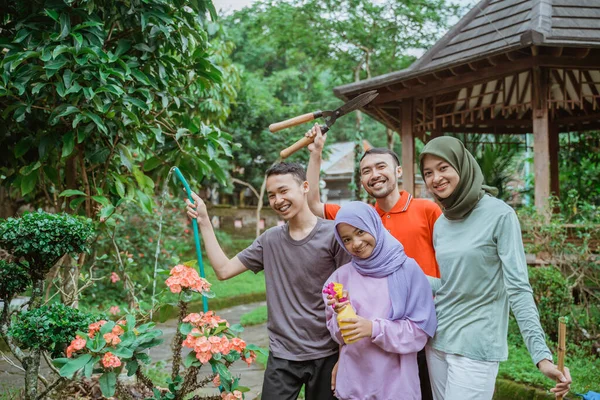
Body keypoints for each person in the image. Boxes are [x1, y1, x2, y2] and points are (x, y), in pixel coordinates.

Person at [419, 136, 572, 400]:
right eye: (428, 173)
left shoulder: (500, 215)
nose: (436, 178)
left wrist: (541, 356)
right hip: (438, 341)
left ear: (462, 166)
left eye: (443, 168)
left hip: (477, 347)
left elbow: (518, 288)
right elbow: (452, 285)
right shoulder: (442, 223)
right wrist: (405, 273)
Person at [185, 162, 350, 400]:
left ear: (304, 187)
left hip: (327, 353)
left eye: (284, 191)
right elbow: (223, 269)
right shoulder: (269, 240)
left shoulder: (334, 235)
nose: (277, 200)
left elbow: (349, 299)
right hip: (283, 355)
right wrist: (204, 221)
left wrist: (345, 356)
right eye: (272, 195)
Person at [306, 124, 440, 398]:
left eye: (381, 167)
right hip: (362, 366)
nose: (374, 175)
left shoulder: (427, 210)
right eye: (366, 170)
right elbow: (314, 204)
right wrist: (316, 152)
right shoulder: (359, 217)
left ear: (398, 171)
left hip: (418, 329)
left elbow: (447, 263)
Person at [322, 201, 437, 400]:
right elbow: (338, 335)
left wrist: (373, 329)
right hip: (353, 387)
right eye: (347, 239)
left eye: (360, 232)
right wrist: (342, 315)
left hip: (396, 389)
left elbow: (420, 332)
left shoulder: (407, 270)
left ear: (374, 225)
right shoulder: (340, 279)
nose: (356, 244)